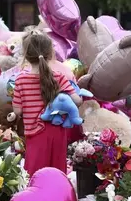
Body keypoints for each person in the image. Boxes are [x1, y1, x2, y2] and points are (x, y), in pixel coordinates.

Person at [12, 29, 82, 176]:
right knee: (57, 174)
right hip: (58, 131)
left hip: (35, 133)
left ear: (26, 55)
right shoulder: (59, 77)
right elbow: (77, 101)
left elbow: (18, 110)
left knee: (36, 174)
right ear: (50, 53)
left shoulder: (20, 80)